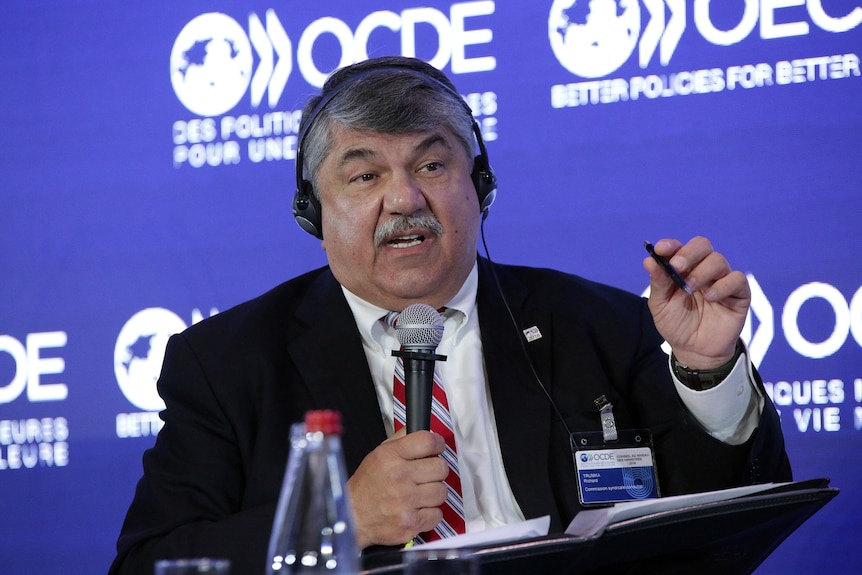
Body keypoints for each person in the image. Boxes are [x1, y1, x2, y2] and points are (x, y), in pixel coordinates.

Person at [109, 56, 791, 574]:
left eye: (432, 165)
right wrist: (337, 517)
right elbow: (152, 560)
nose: (405, 198)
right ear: (314, 213)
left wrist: (708, 372)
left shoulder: (602, 324)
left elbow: (725, 533)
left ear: (479, 188)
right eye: (365, 175)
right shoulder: (228, 364)